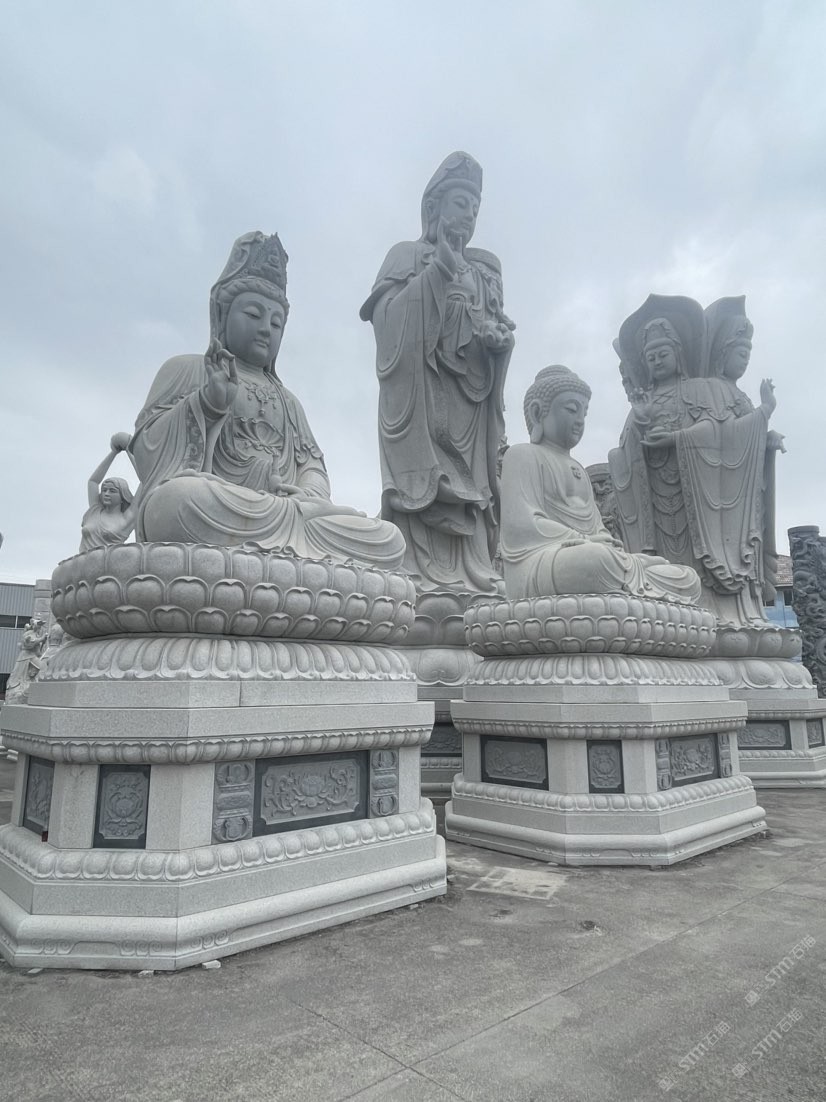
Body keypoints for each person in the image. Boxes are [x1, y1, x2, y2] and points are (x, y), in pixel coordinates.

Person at [129, 232, 405, 570]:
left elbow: (312, 467)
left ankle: (284, 553)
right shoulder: (188, 369)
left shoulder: (289, 402)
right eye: (253, 314)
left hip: (287, 513)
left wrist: (308, 494)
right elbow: (147, 450)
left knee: (389, 538)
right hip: (224, 505)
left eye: (276, 323)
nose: (265, 329)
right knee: (175, 502)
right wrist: (206, 404)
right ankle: (296, 563)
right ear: (223, 316)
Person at [360, 152, 515, 592]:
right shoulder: (407, 255)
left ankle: (475, 570)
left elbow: (490, 326)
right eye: (460, 203)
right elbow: (387, 327)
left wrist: (498, 344)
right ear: (434, 207)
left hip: (469, 402)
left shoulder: (481, 274)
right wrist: (437, 272)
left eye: (475, 208)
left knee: (475, 497)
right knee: (429, 496)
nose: (468, 215)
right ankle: (420, 572)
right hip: (424, 401)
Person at [500, 365, 701, 603]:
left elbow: (598, 529)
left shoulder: (578, 470)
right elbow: (521, 526)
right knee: (594, 560)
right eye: (572, 410)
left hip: (596, 557)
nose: (579, 420)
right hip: (538, 564)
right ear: (537, 413)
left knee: (687, 577)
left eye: (584, 413)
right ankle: (630, 587)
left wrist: (609, 545)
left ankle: (631, 584)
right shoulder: (522, 455)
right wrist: (586, 541)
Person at [79, 433, 137, 552]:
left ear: (122, 496)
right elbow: (93, 482)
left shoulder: (127, 517)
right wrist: (113, 453)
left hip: (109, 560)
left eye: (112, 491)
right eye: (104, 490)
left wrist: (129, 451)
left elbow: (146, 479)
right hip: (84, 559)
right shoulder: (95, 511)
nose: (106, 494)